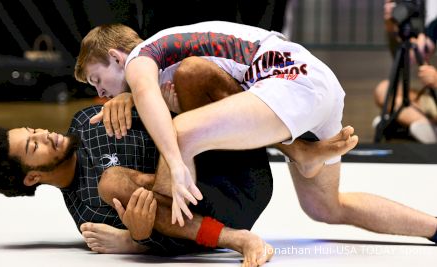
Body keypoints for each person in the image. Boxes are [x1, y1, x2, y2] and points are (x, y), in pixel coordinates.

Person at [74, 21, 437, 244]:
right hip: (312, 86)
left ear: (118, 57)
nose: (100, 91)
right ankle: (433, 227)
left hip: (292, 82)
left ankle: (160, 241)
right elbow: (217, 98)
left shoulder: (141, 58)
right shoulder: (171, 59)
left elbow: (155, 105)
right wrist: (124, 99)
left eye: (96, 78)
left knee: (179, 134)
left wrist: (175, 166)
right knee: (325, 207)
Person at [0, 104, 279, 265]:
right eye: (33, 146)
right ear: (32, 177)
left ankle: (299, 147)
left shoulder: (86, 120)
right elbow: (181, 240)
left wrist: (129, 93)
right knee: (112, 182)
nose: (43, 133)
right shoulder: (89, 213)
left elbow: (165, 100)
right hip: (226, 207)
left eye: (34, 129)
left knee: (193, 74)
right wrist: (143, 239)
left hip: (237, 154)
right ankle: (237, 240)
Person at [374, 0, 437, 143]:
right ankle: (425, 125)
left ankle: (402, 123)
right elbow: (407, 58)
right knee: (383, 90)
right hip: (432, 101)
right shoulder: (434, 25)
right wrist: (392, 27)